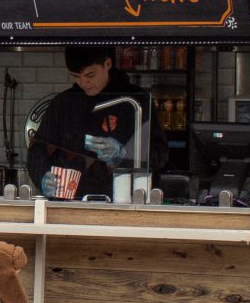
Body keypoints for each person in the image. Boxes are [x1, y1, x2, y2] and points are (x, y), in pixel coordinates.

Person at [26, 45, 168, 199]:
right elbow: (37, 150)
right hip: (72, 203)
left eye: (90, 75)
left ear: (107, 64)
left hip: (124, 200)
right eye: (76, 76)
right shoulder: (64, 103)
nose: (84, 82)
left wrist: (124, 154)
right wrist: (42, 177)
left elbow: (160, 154)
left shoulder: (136, 102)